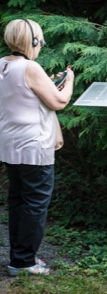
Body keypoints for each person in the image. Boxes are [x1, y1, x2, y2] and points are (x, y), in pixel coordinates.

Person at [0, 18, 74, 276]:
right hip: (34, 146)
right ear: (32, 41)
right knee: (35, 203)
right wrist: (70, 81)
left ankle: (18, 258)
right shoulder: (30, 67)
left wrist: (48, 85)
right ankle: (24, 263)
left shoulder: (2, 65)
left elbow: (24, 97)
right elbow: (59, 102)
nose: (41, 44)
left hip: (10, 144)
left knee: (18, 201)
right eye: (40, 39)